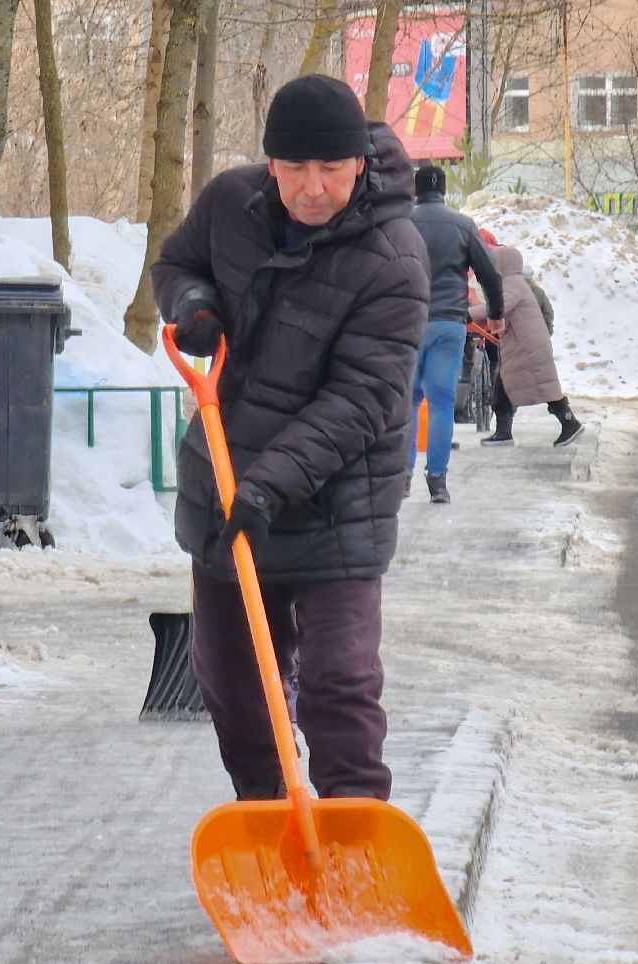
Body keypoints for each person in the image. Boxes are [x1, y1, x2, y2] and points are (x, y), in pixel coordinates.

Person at [151, 75, 430, 803]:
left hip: (339, 502)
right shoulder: (228, 205)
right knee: (234, 690)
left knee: (338, 685)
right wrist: (196, 305)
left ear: (359, 165)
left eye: (331, 170)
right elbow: (176, 264)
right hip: (228, 489)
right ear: (269, 164)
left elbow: (363, 398)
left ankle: (356, 832)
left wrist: (267, 486)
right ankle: (272, 819)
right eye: (295, 169)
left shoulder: (394, 259)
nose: (313, 187)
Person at [404, 164, 504, 504]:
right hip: (449, 323)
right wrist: (496, 314)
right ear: (443, 190)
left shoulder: (403, 223)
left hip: (408, 322)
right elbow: (489, 273)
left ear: (417, 190)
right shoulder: (462, 225)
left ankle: (401, 478)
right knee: (442, 402)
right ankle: (438, 482)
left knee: (408, 400)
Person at [474, 246, 583, 447]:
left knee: (544, 387)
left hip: (527, 348)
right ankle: (503, 432)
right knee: (505, 385)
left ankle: (570, 423)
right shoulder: (511, 283)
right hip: (523, 346)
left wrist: (468, 313)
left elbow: (500, 307)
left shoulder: (512, 284)